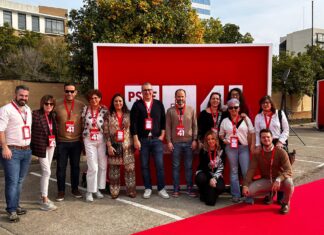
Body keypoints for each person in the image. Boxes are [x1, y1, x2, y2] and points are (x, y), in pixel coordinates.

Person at [130, 82, 169, 199]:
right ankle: (148, 188)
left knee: (159, 165)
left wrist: (162, 135)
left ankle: (161, 188)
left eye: (149, 90)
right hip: (143, 140)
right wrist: (136, 139)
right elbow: (133, 123)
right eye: (145, 90)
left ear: (153, 91)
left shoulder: (158, 104)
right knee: (144, 165)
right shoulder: (137, 105)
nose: (147, 92)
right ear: (141, 92)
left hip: (157, 140)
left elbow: (163, 121)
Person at [242, 129, 294, 214]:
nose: (266, 139)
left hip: (280, 181)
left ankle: (285, 203)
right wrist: (245, 185)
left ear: (272, 138)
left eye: (268, 137)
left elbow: (289, 170)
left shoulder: (281, 152)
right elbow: (251, 170)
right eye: (263, 137)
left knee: (289, 182)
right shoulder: (258, 153)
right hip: (267, 180)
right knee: (249, 191)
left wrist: (279, 179)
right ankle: (270, 193)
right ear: (261, 139)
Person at [0, 85, 32, 222]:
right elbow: (0, 130)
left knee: (19, 181)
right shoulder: (6, 109)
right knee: (12, 182)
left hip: (26, 150)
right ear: (15, 95)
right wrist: (4, 147)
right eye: (21, 95)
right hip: (12, 151)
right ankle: (11, 210)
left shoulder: (27, 109)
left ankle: (16, 205)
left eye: (26, 96)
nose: (23, 98)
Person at [254, 95, 289, 204]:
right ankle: (270, 194)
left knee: (280, 170)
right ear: (261, 105)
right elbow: (256, 132)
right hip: (264, 143)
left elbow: (286, 129)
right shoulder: (258, 117)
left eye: (267, 103)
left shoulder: (279, 114)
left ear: (271, 104)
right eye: (263, 103)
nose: (265, 105)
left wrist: (280, 142)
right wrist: (258, 145)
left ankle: (280, 196)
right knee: (267, 169)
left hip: (278, 143)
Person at [219, 98, 255, 203]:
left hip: (243, 147)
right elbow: (221, 134)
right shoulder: (225, 121)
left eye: (236, 107)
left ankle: (249, 195)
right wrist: (224, 140)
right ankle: (235, 195)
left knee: (245, 171)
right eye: (231, 108)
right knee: (234, 171)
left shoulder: (245, 119)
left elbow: (252, 131)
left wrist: (252, 145)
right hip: (231, 148)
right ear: (228, 109)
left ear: (239, 108)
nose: (233, 109)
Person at [166, 89, 198, 197]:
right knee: (176, 167)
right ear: (175, 98)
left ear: (185, 97)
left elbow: (195, 126)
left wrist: (194, 140)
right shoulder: (170, 111)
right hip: (176, 143)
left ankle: (189, 188)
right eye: (178, 97)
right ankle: (176, 188)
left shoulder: (191, 110)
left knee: (189, 167)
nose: (180, 99)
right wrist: (169, 142)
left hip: (189, 142)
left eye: (182, 96)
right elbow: (168, 127)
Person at [55, 83, 84, 201]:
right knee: (61, 167)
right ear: (64, 92)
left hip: (76, 142)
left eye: (72, 91)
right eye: (67, 91)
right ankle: (61, 191)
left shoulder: (81, 105)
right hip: (61, 142)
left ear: (75, 92)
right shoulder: (56, 104)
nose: (69, 94)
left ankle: (75, 188)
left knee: (75, 167)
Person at [104, 94, 136, 199]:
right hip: (114, 146)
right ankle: (114, 191)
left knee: (130, 170)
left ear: (123, 102)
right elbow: (106, 132)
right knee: (114, 171)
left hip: (128, 146)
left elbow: (133, 130)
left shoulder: (129, 114)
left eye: (120, 101)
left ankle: (131, 191)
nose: (118, 103)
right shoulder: (108, 115)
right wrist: (109, 146)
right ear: (113, 103)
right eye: (116, 101)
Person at [31, 95, 58, 211]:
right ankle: (45, 199)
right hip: (41, 147)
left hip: (51, 145)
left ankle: (42, 195)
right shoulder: (35, 114)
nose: (49, 106)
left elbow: (53, 130)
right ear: (42, 104)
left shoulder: (53, 115)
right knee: (47, 171)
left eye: (51, 104)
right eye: (46, 104)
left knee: (45, 172)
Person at [81, 89, 108, 202]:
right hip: (89, 139)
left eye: (96, 97)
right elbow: (81, 123)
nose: (94, 100)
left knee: (102, 165)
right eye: (91, 98)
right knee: (93, 166)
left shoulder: (104, 110)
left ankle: (97, 189)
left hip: (101, 139)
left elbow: (108, 124)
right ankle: (89, 191)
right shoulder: (85, 109)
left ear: (99, 98)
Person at [195, 130, 225, 206]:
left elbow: (221, 167)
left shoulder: (221, 150)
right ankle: (203, 191)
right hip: (205, 174)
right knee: (201, 178)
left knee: (220, 187)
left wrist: (214, 178)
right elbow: (204, 167)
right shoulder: (203, 150)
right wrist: (210, 179)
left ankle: (212, 193)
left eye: (212, 139)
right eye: (208, 139)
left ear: (216, 140)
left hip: (215, 175)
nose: (210, 141)